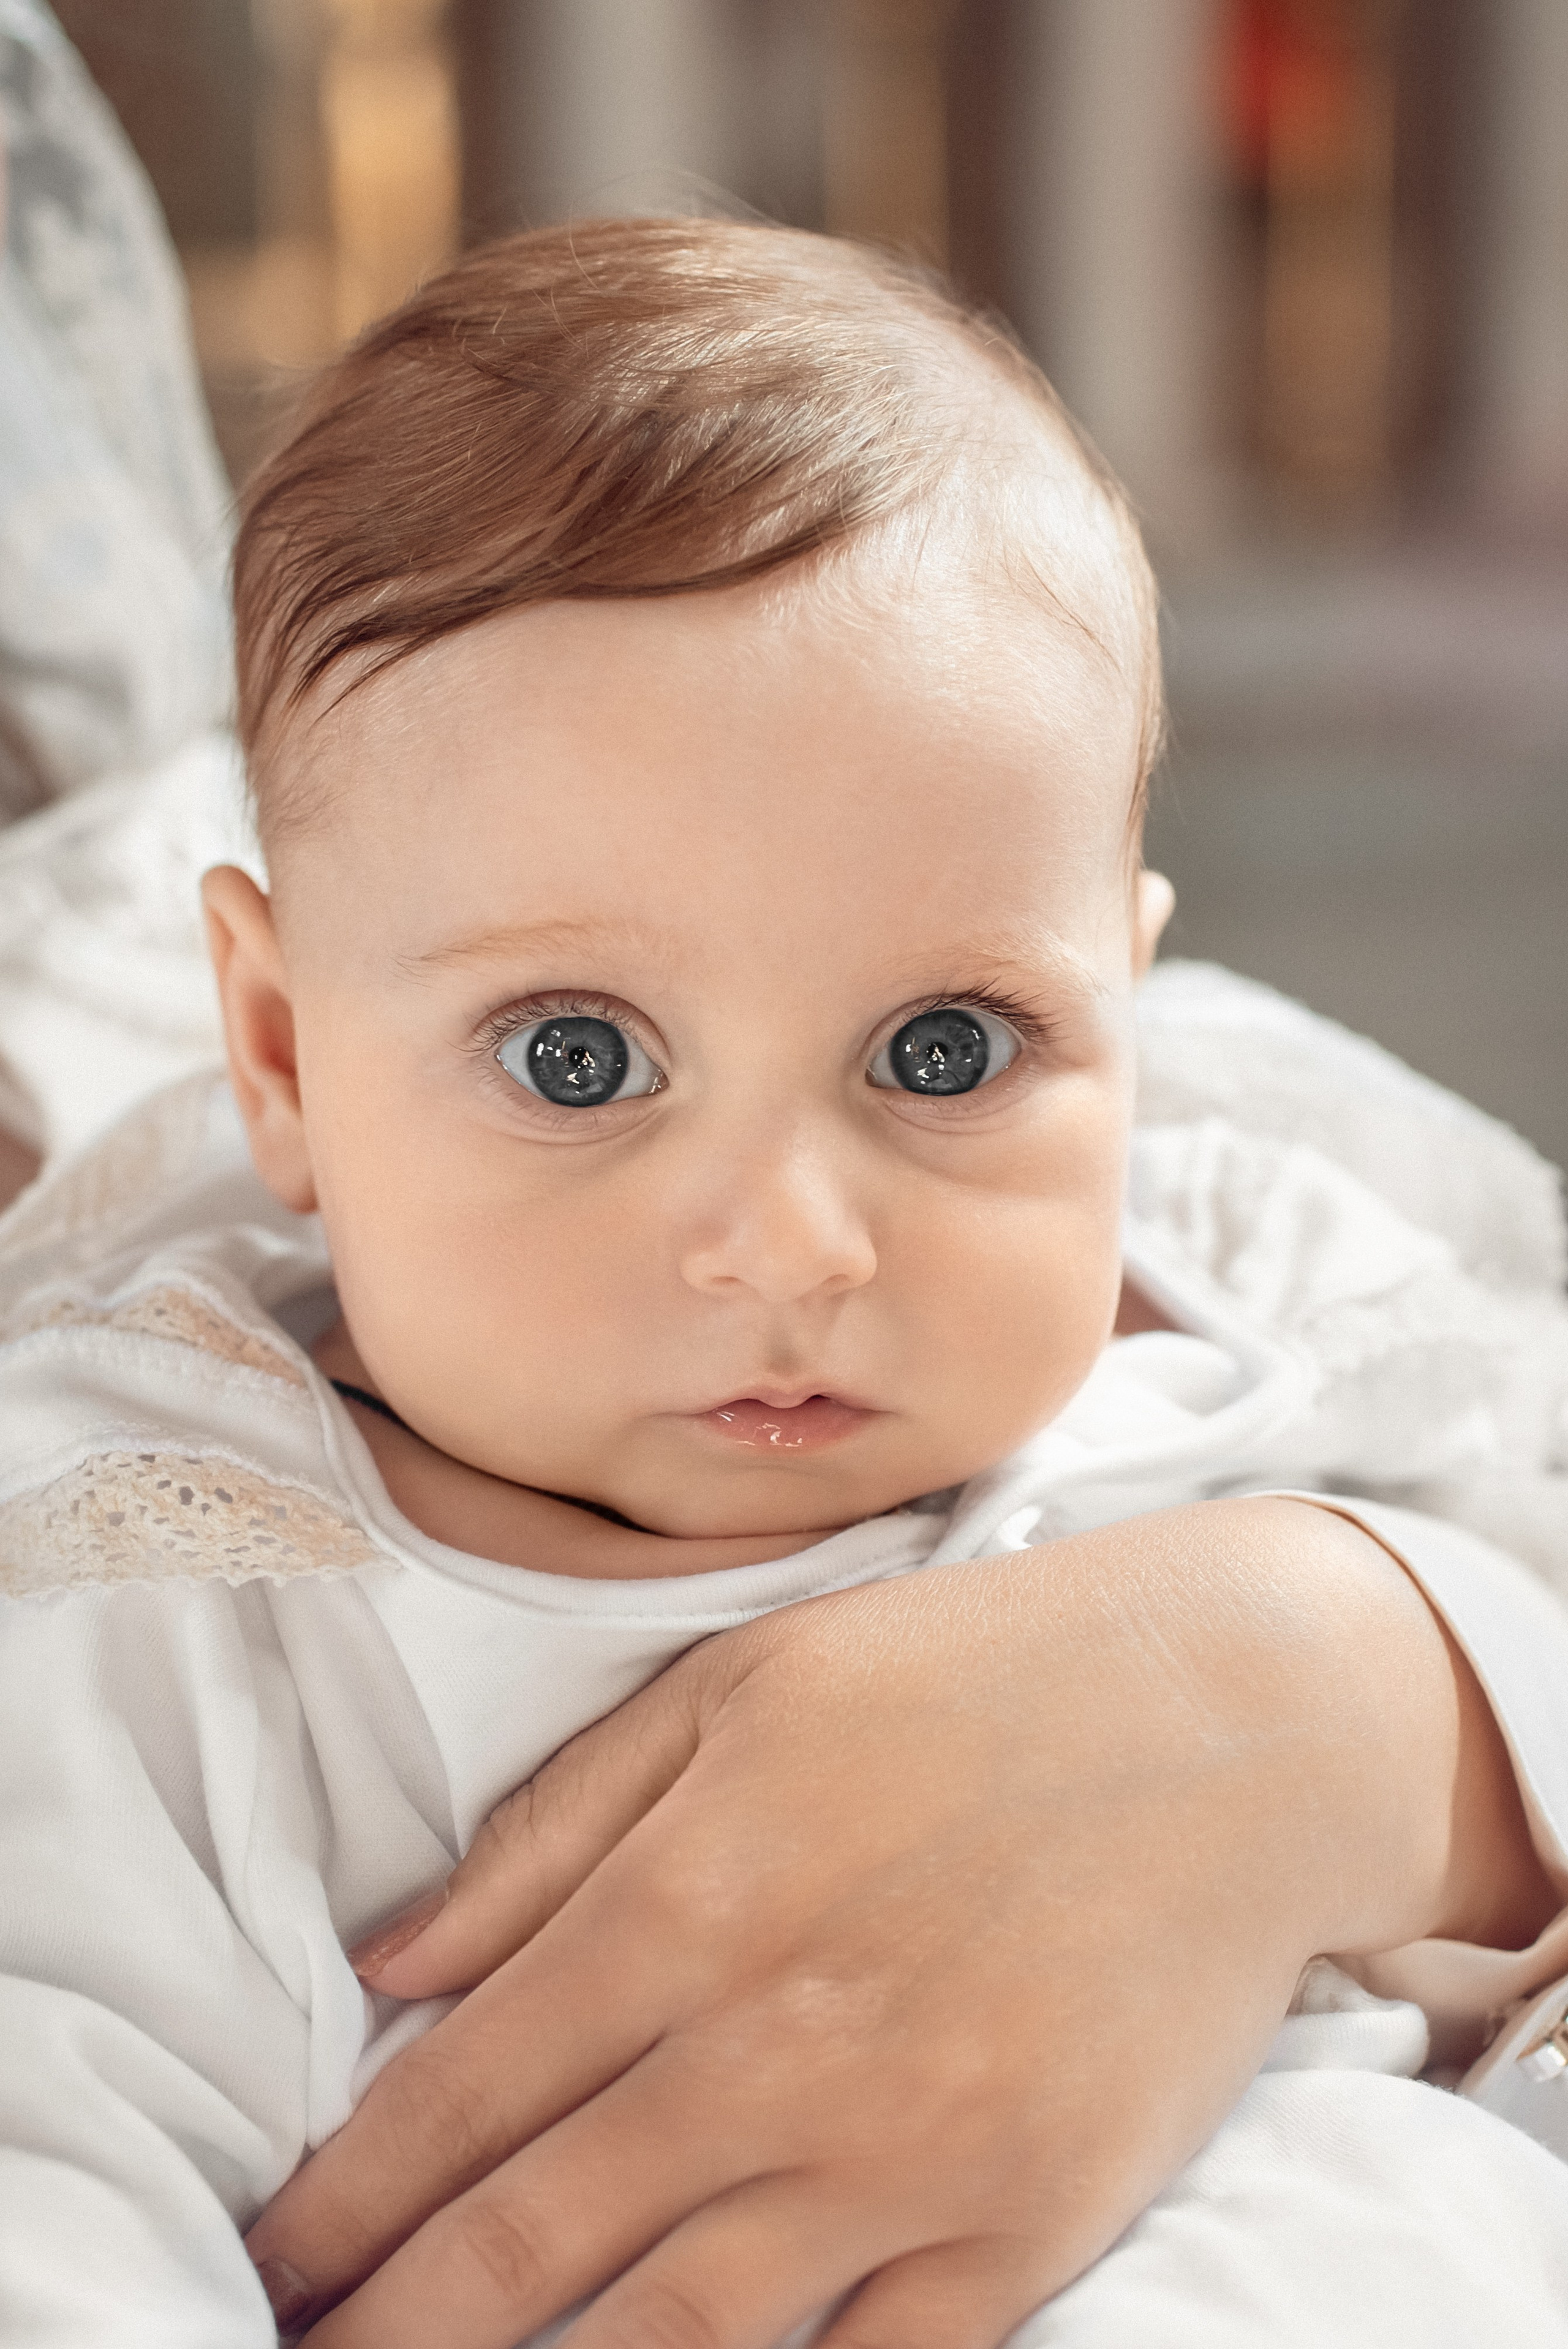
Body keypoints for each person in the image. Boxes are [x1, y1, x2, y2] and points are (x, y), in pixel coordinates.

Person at [4, 216, 1568, 2349]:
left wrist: (1409, 1669)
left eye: (947, 1051)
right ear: (279, 1053)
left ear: (1131, 985)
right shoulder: (154, 1607)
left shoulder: (1279, 1331)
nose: (791, 1246)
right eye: (579, 1058)